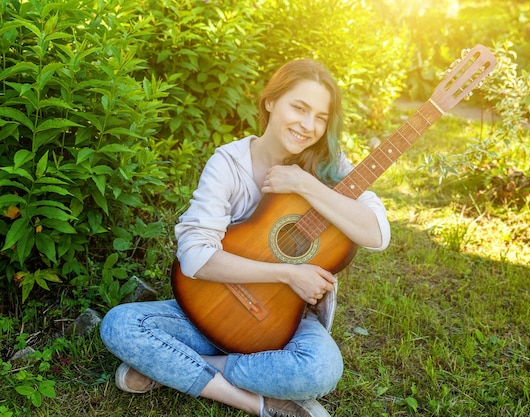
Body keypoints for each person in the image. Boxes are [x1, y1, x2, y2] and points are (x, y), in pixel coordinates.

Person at [100, 59, 391, 417]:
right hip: (210, 309)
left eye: (320, 116)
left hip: (283, 327)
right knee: (121, 324)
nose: (307, 126)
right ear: (270, 101)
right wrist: (287, 273)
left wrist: (304, 184)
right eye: (298, 108)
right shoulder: (228, 163)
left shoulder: (330, 166)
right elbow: (194, 256)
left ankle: (182, 367)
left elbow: (377, 234)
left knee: (321, 370)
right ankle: (258, 403)